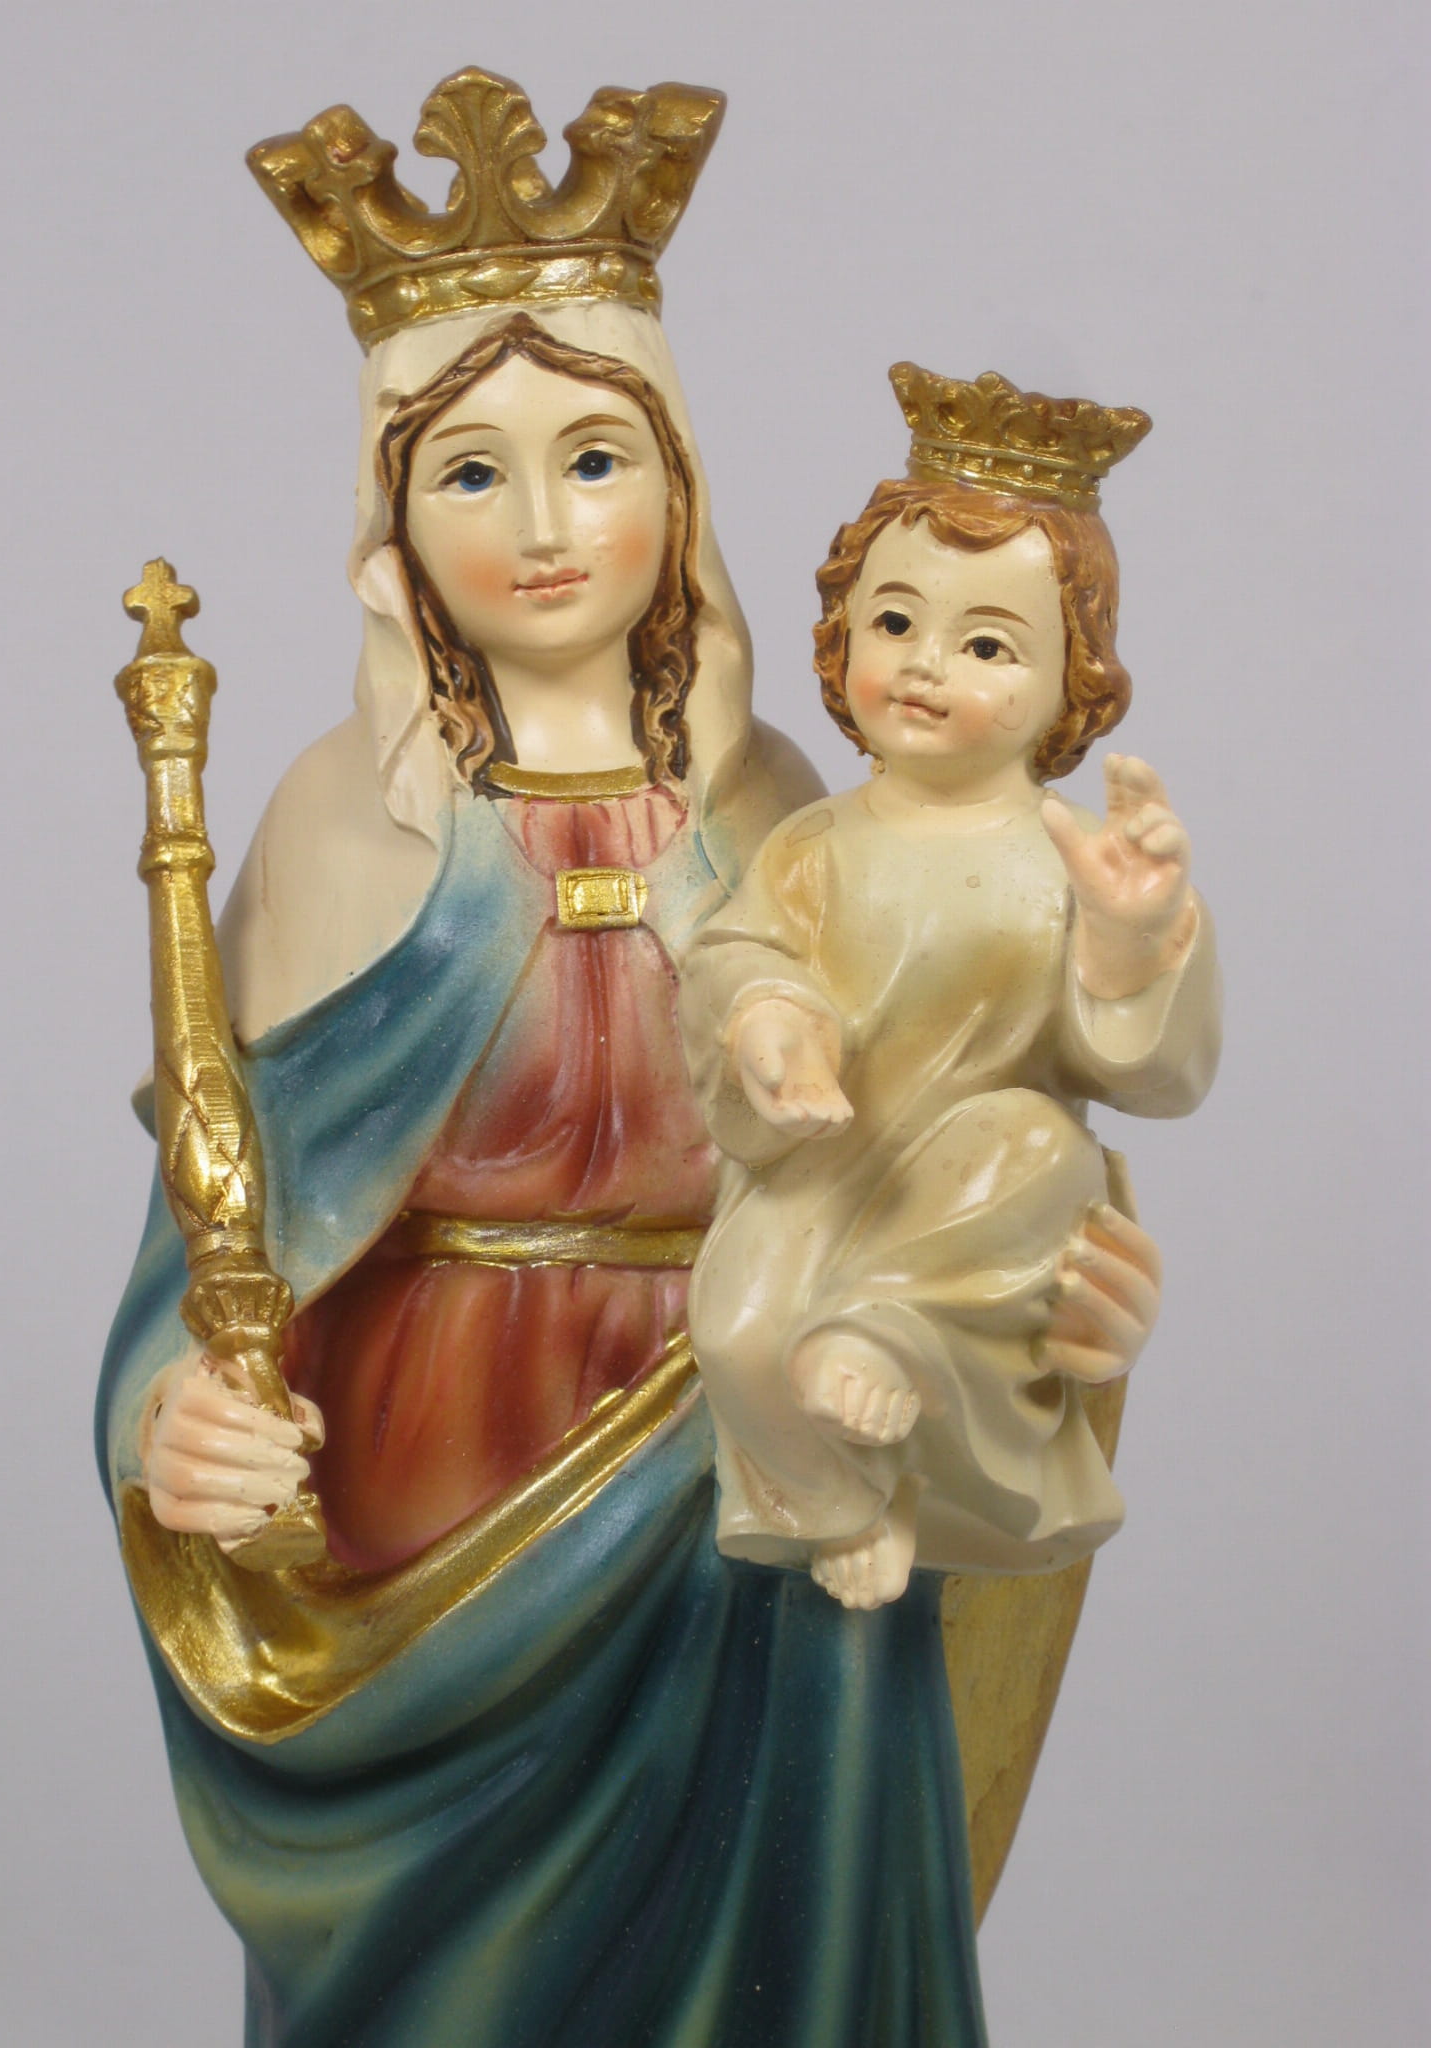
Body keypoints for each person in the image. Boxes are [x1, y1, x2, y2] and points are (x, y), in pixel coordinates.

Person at [98, 78, 1168, 2047]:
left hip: (759, 1463)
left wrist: (1054, 1303)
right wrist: (179, 1411)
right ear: (391, 525)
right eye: (469, 472)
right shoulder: (342, 827)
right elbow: (218, 1222)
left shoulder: (784, 815)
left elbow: (948, 1153)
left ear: (676, 477)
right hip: (437, 1503)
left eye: (593, 455)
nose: (541, 528)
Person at [682, 365, 1221, 1611]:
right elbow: (738, 955)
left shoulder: (1068, 855)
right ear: (842, 633)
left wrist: (1131, 945)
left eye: (985, 644)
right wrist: (769, 1021)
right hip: (825, 1164)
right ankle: (842, 1500)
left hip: (986, 1190)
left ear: (1072, 680)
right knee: (739, 1327)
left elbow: (1161, 1074)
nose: (925, 666)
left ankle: (887, 1338)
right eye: (894, 622)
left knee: (1031, 1145)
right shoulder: (815, 841)